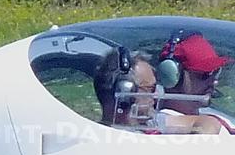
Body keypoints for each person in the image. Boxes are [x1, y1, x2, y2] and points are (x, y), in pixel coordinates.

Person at [94, 50, 227, 134]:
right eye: (150, 89)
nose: (157, 95)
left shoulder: (152, 122)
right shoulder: (96, 137)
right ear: (125, 92)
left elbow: (207, 123)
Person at [157, 32, 235, 133]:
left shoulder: (212, 113)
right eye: (205, 75)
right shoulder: (160, 124)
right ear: (172, 76)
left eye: (216, 72)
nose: (214, 81)